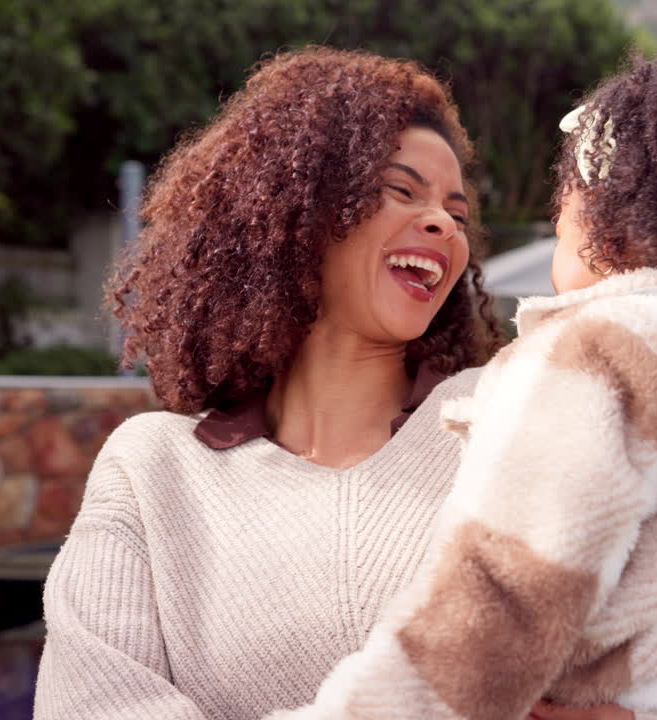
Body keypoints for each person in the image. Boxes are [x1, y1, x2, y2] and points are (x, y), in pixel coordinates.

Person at [266, 50, 657, 720]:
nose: (555, 225)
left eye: (562, 200)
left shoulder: (595, 358)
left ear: (603, 202)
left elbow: (502, 596)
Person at [32, 47, 519, 718]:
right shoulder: (153, 471)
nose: (442, 224)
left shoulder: (511, 424)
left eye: (456, 215)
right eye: (401, 191)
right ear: (297, 213)